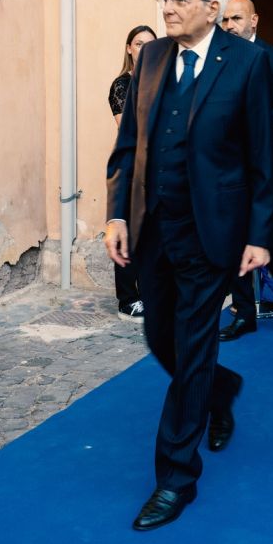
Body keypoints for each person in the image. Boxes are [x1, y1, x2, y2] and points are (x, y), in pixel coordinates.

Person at [104, 0, 273, 531]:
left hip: (213, 233)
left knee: (194, 345)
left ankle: (176, 477)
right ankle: (220, 390)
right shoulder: (151, 58)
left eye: (179, 0)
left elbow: (261, 159)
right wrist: (116, 215)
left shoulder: (248, 63)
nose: (167, 9)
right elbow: (128, 144)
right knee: (161, 336)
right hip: (154, 228)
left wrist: (258, 235)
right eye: (165, 0)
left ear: (210, 8)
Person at [217, 0, 273, 343]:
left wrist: (246, 123)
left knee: (262, 233)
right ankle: (245, 314)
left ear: (254, 20)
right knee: (232, 235)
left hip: (263, 163)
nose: (229, 26)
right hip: (228, 165)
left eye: (236, 18)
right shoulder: (219, 59)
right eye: (225, 20)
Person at [107, 25, 156, 322]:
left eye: (151, 45)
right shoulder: (122, 85)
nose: (144, 50)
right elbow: (130, 130)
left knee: (150, 235)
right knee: (127, 233)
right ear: (129, 49)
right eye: (139, 44)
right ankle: (127, 299)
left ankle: (149, 293)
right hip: (131, 169)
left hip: (155, 172)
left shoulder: (160, 82)